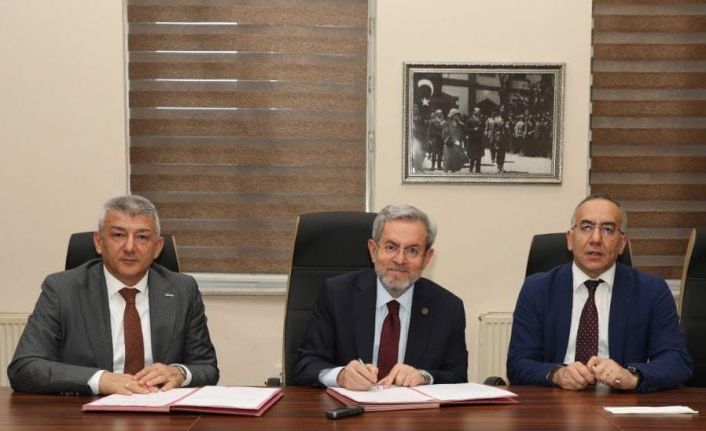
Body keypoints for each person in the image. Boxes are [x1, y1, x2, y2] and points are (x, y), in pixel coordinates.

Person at [8, 195, 218, 395]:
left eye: (142, 237)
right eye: (118, 235)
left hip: (160, 407)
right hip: (85, 411)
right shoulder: (61, 289)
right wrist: (100, 380)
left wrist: (180, 373)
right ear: (99, 242)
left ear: (157, 247)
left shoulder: (183, 290)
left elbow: (207, 367)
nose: (129, 247)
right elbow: (24, 368)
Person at [507, 195, 692, 392]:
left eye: (607, 229)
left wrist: (632, 376)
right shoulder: (537, 289)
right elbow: (518, 363)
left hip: (622, 402)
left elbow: (677, 361)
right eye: (586, 227)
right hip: (557, 399)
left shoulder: (652, 291)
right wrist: (556, 374)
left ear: (622, 243)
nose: (596, 239)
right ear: (570, 239)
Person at [294, 204, 468, 390]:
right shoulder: (336, 294)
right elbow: (306, 365)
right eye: (391, 247)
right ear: (373, 250)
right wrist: (341, 376)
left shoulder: (448, 308)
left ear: (426, 258)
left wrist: (425, 377)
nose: (400, 260)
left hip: (414, 408)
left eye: (412, 250)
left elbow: (457, 377)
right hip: (349, 407)